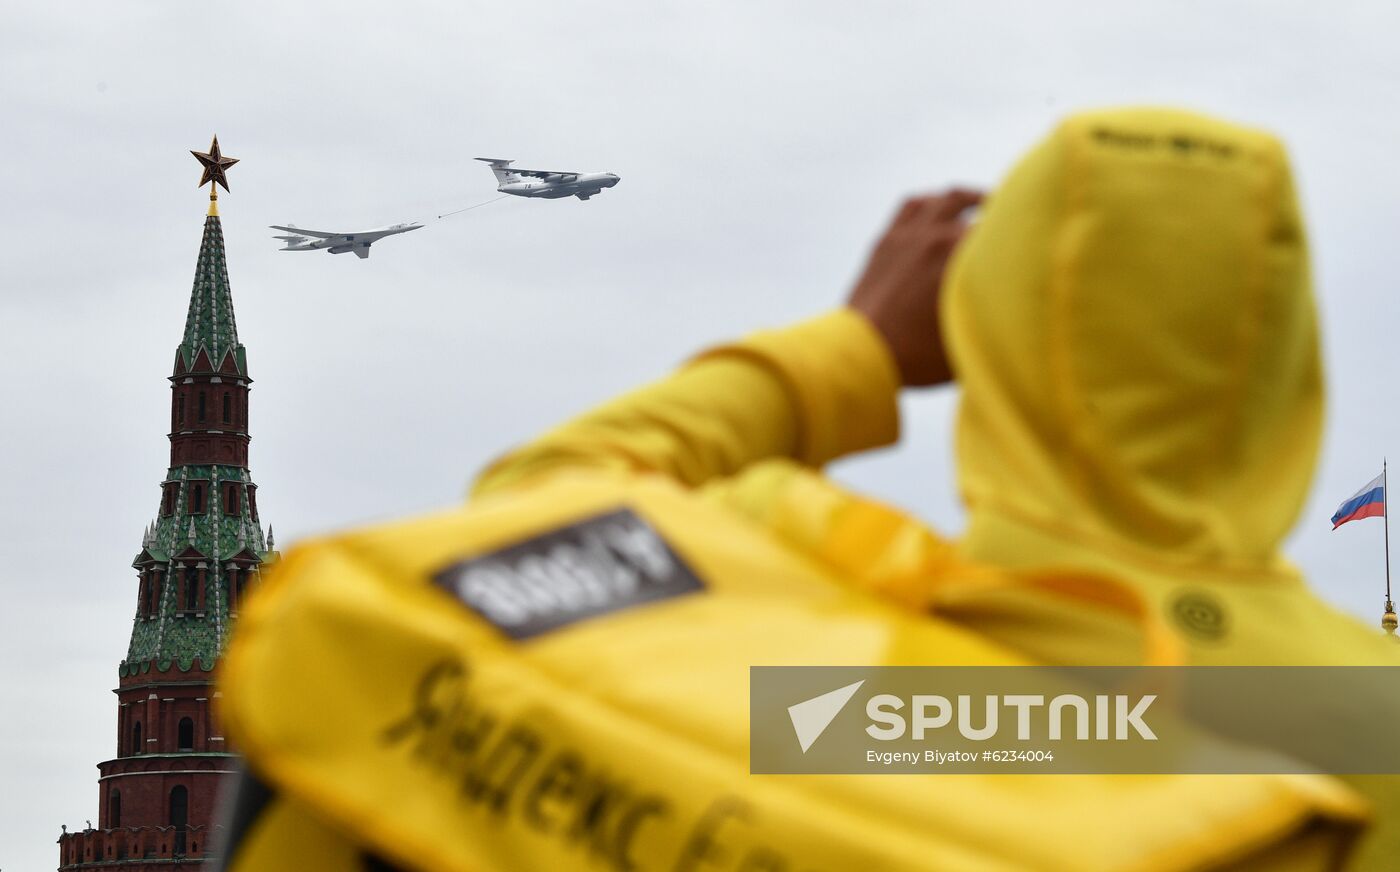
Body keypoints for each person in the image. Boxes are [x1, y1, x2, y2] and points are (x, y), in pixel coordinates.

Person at [217, 107, 1390, 871]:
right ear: (1292, 367)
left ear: (976, 335)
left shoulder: (807, 599)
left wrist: (852, 349)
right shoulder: (1367, 721)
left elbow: (529, 523)